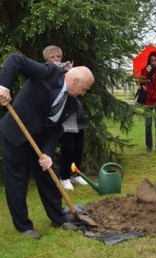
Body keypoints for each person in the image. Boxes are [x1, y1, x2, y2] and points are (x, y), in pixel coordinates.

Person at [0, 53, 94, 239]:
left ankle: (58, 218)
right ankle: (24, 226)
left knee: (49, 176)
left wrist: (48, 153)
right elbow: (16, 60)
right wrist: (3, 87)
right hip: (15, 133)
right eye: (83, 89)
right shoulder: (49, 73)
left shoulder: (72, 105)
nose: (83, 94)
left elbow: (56, 130)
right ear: (75, 80)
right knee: (16, 181)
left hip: (40, 140)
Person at [43, 45, 88, 190]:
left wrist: (72, 73)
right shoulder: (47, 73)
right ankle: (64, 177)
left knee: (79, 145)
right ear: (46, 60)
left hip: (76, 112)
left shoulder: (68, 71)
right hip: (64, 116)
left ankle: (76, 174)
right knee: (68, 146)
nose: (56, 59)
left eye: (58, 57)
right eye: (52, 57)